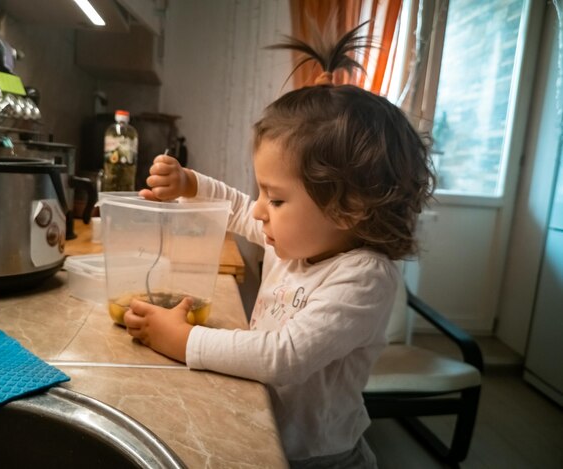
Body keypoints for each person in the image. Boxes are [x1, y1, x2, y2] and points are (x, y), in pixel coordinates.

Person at [123, 25, 435, 469]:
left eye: (277, 198)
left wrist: (185, 339)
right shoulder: (296, 241)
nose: (259, 210)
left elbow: (282, 357)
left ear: (348, 208)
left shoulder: (363, 276)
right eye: (263, 192)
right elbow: (234, 207)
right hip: (272, 429)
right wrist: (189, 184)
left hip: (320, 456)